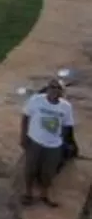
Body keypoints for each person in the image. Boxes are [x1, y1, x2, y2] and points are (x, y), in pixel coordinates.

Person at [20, 77, 76, 207]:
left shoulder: (66, 107)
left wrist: (63, 141)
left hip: (54, 146)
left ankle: (44, 194)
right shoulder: (36, 100)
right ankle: (28, 193)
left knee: (48, 172)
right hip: (35, 142)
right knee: (30, 169)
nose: (54, 90)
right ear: (47, 88)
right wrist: (23, 136)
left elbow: (67, 125)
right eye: (52, 87)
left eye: (58, 88)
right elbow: (25, 117)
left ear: (62, 92)